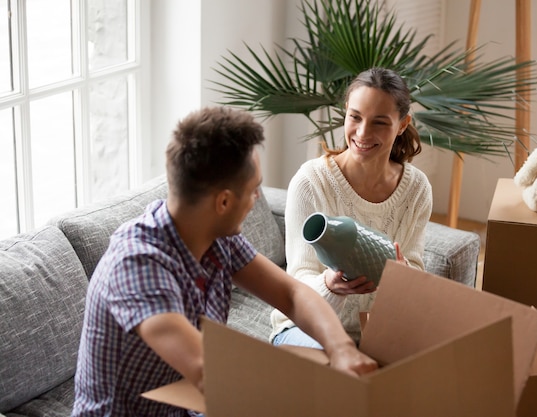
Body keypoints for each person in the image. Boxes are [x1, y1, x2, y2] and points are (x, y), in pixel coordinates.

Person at [72, 107, 378, 417]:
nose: (258, 197)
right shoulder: (137, 265)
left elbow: (293, 294)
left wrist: (341, 349)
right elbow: (208, 371)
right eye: (253, 189)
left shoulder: (215, 237)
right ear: (223, 202)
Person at [270, 68, 433, 348]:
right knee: (343, 369)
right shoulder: (311, 182)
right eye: (355, 117)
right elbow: (297, 282)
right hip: (307, 328)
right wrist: (331, 286)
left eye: (379, 123)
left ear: (403, 124)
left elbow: (416, 271)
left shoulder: (416, 188)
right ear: (345, 111)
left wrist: (402, 273)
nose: (362, 132)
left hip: (377, 332)